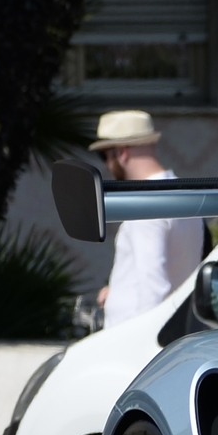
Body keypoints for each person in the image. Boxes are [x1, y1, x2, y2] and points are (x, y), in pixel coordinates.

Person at [90, 110, 204, 329]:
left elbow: (154, 290)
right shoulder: (184, 195)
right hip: (176, 330)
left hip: (134, 345)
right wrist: (116, 293)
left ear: (122, 152)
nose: (105, 165)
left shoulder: (147, 206)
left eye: (104, 155)